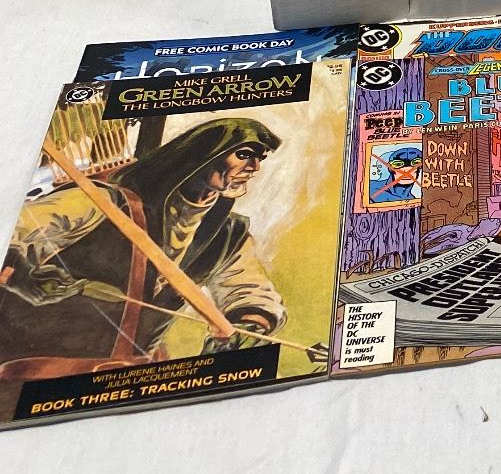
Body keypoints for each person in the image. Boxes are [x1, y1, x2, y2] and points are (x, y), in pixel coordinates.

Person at [1, 117, 321, 381]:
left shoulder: (227, 234)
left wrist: (248, 326)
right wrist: (21, 276)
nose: (254, 167)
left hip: (131, 378)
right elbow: (12, 235)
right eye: (245, 154)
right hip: (29, 373)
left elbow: (250, 291)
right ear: (203, 155)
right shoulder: (99, 201)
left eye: (260, 159)